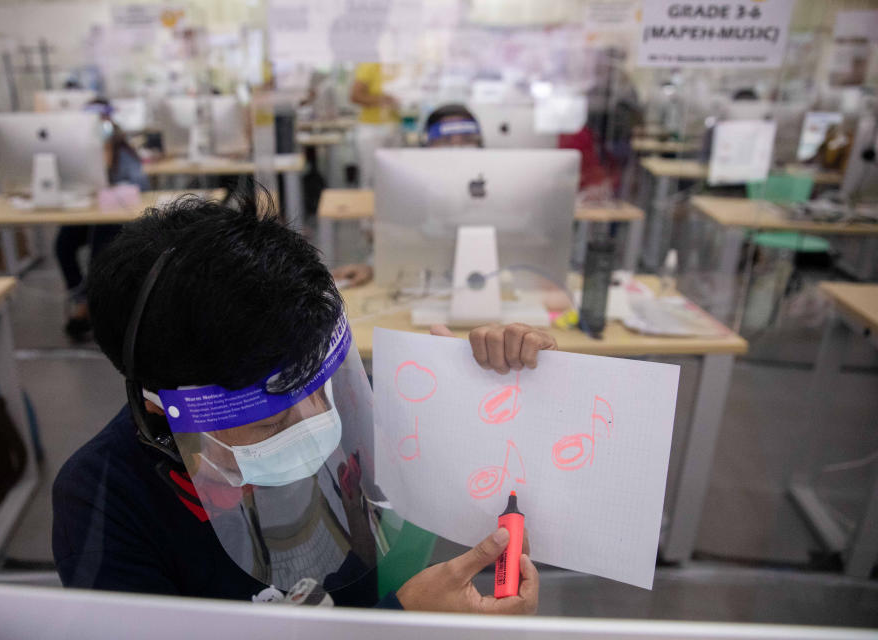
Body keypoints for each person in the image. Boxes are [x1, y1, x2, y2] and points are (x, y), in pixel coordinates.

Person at [52, 189, 554, 612]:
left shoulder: (307, 375)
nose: (318, 422)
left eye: (321, 387)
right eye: (271, 426)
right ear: (165, 412)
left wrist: (510, 387)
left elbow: (427, 523)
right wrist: (402, 625)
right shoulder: (105, 500)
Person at [330, 103, 484, 288]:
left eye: (466, 139)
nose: (457, 147)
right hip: (418, 285)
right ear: (427, 144)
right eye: (446, 140)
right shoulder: (405, 184)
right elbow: (389, 245)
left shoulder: (496, 183)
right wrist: (371, 267)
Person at [56, 98, 149, 342]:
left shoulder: (122, 150)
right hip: (85, 212)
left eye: (102, 116)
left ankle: (93, 308)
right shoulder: (74, 148)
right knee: (63, 245)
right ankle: (83, 299)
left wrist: (110, 178)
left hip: (113, 214)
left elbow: (141, 186)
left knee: (101, 251)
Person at [350, 63, 401, 188]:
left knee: (394, 176)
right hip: (371, 128)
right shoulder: (370, 65)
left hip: (394, 126)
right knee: (371, 177)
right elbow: (355, 96)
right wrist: (383, 100)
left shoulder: (398, 66)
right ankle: (368, 206)